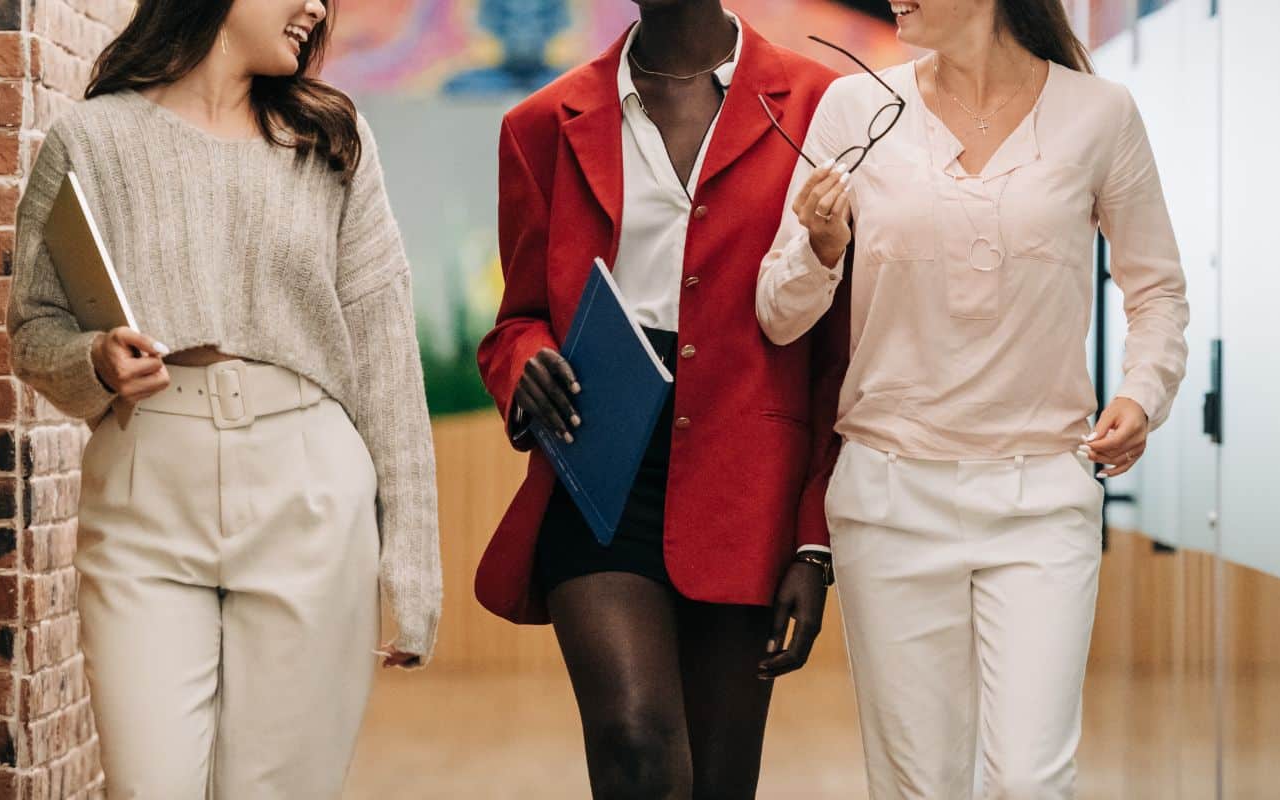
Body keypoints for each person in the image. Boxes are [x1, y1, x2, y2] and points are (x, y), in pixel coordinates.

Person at [756, 0, 1190, 796]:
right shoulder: (856, 109)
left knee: (1031, 782)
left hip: (1042, 502)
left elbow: (1156, 292)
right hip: (889, 502)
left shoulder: (1100, 113)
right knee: (919, 784)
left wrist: (1143, 391)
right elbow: (778, 315)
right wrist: (820, 247)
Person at [7, 1, 441, 795]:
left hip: (309, 488)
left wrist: (411, 566)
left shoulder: (330, 140)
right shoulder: (93, 140)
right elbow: (33, 329)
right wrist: (94, 360)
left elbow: (385, 357)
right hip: (145, 494)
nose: (316, 7)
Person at [474, 1, 847, 796]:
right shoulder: (541, 122)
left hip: (749, 476)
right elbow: (516, 318)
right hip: (598, 459)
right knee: (633, 744)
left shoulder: (822, 103)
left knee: (718, 782)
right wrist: (526, 360)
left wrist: (814, 541)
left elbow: (840, 349)